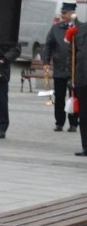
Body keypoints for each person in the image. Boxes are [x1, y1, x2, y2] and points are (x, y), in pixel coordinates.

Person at [43, 3, 79, 132]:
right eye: (62, 13)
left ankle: (74, 123)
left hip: (75, 70)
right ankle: (59, 122)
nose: (63, 15)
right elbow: (48, 45)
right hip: (59, 68)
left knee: (74, 96)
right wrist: (46, 61)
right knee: (59, 97)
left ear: (73, 14)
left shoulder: (79, 28)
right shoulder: (56, 28)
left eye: (65, 13)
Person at [71, 21, 87, 155]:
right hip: (82, 78)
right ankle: (86, 146)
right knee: (83, 115)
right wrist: (72, 76)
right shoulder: (80, 29)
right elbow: (73, 53)